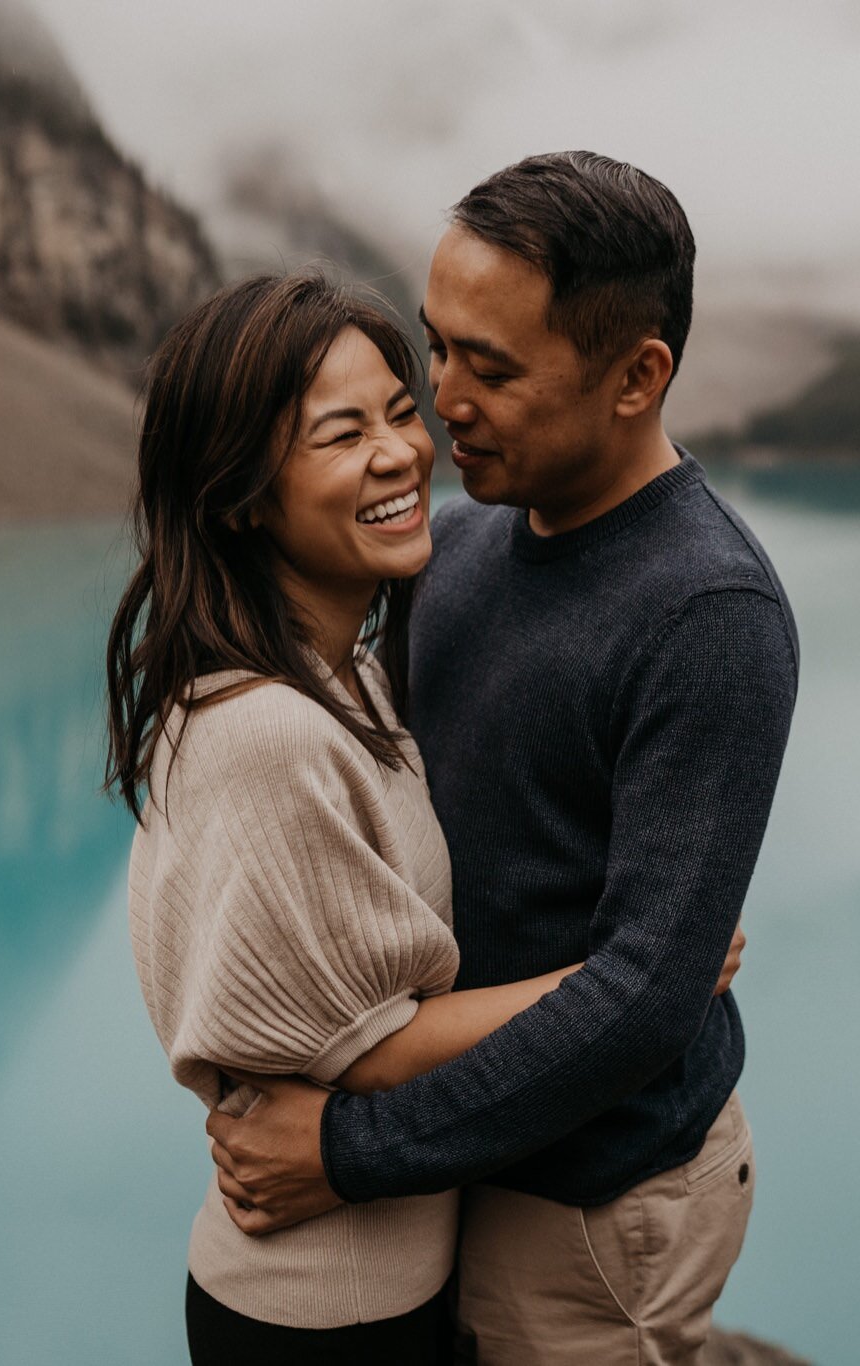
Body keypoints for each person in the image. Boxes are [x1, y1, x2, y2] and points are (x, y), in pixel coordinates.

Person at [204, 151, 800, 1365]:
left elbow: (640, 1004)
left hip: (591, 1202)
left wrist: (347, 1150)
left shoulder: (711, 614)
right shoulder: (456, 548)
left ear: (638, 376)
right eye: (437, 347)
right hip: (459, 1155)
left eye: (492, 367)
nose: (442, 399)